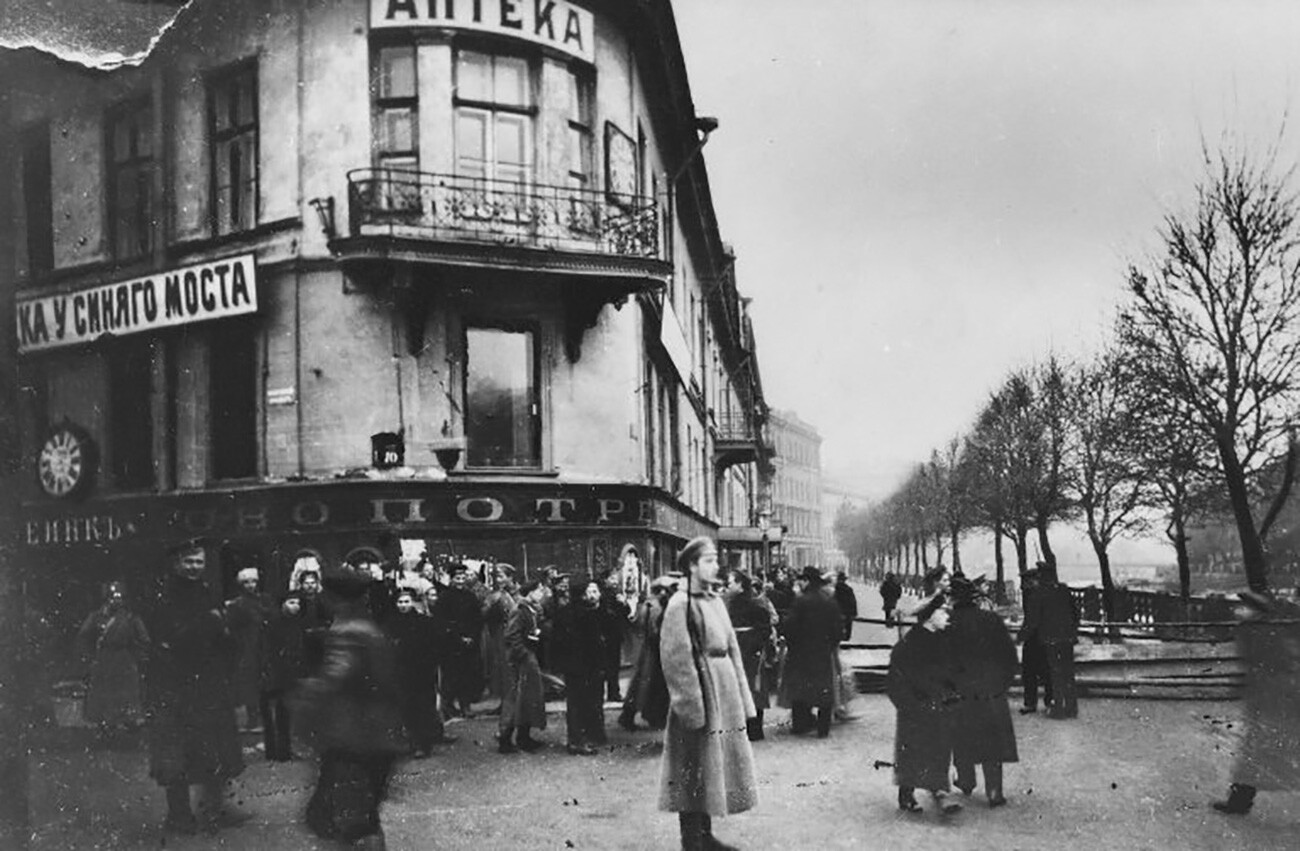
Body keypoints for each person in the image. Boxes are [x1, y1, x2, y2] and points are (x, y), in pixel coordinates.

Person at [295, 564, 405, 850]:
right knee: (359, 812)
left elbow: (335, 676)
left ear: (334, 598)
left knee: (352, 816)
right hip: (376, 730)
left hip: (354, 735)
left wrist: (305, 697)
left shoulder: (347, 631)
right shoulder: (368, 627)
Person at [659, 536, 757, 851]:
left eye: (716, 560)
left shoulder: (714, 600)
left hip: (722, 693)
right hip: (700, 697)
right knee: (691, 770)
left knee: (711, 768)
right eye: (708, 560)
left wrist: (743, 697)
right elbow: (676, 662)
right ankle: (692, 841)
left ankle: (705, 834)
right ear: (691, 565)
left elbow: (732, 650)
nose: (715, 566)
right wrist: (691, 709)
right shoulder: (680, 604)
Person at [145, 539, 248, 835]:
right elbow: (167, 641)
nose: (194, 567)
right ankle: (179, 815)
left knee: (213, 751)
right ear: (176, 563)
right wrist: (212, 622)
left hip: (209, 684)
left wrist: (224, 630)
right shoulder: (164, 595)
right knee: (176, 756)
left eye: (199, 562)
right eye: (188, 561)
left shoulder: (207, 592)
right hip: (176, 685)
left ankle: (214, 811)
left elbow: (221, 638)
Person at [1211, 591, 1300, 816]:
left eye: (1243, 607)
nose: (1238, 610)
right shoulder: (1254, 629)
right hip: (1267, 698)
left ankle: (1239, 802)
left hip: (1276, 699)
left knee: (1267, 752)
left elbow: (1278, 664)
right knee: (1255, 753)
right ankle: (1239, 802)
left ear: (1255, 611)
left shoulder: (1263, 632)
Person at [886, 593, 961, 816]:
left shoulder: (942, 640)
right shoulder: (910, 644)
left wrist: (951, 693)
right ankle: (906, 794)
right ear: (929, 617)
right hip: (915, 707)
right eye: (941, 612)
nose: (946, 615)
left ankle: (940, 791)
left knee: (939, 749)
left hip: (937, 705)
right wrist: (908, 704)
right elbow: (895, 679)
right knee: (912, 749)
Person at [948, 576, 1018, 807]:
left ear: (953, 598)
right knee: (992, 740)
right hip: (990, 690)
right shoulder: (991, 619)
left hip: (960, 691)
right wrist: (1002, 684)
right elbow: (1009, 655)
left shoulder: (947, 623)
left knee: (961, 737)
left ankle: (966, 781)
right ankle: (994, 791)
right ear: (976, 599)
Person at [386, 589, 455, 758]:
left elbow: (434, 645)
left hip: (423, 671)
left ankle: (427, 741)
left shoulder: (424, 622)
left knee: (425, 705)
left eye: (406, 602)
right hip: (403, 671)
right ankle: (416, 742)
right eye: (400, 602)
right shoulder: (391, 624)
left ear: (413, 603)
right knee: (409, 708)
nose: (403, 606)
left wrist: (430, 663)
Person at [76, 580, 150, 738]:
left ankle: (128, 720)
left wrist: (137, 654)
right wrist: (89, 655)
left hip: (124, 659)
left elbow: (144, 638)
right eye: (112, 597)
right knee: (103, 691)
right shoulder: (96, 617)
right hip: (103, 658)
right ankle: (104, 723)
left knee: (126, 692)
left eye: (119, 597)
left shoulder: (131, 618)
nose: (116, 601)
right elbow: (83, 636)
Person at [780, 566, 843, 738]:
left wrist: (793, 645)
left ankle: (800, 725)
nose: (799, 582)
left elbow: (789, 627)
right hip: (822, 652)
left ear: (807, 581)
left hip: (801, 653)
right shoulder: (830, 602)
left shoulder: (800, 602)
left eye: (802, 579)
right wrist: (829, 645)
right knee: (824, 689)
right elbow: (838, 630)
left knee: (800, 688)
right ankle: (823, 728)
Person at [553, 578, 611, 754]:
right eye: (587, 592)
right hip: (586, 665)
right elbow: (594, 643)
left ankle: (579, 737)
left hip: (573, 665)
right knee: (582, 702)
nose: (589, 595)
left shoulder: (564, 611)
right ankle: (578, 741)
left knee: (576, 702)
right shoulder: (585, 614)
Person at [498, 579, 550, 755]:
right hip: (521, 661)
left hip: (528, 658)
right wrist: (524, 654)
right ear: (531, 592)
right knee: (517, 700)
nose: (542, 593)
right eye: (540, 590)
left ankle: (524, 737)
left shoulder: (532, 609)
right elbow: (512, 636)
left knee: (529, 699)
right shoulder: (520, 610)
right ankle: (505, 739)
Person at [1021, 563, 1078, 718]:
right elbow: (1075, 613)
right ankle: (1072, 709)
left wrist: (1021, 637)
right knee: (1068, 673)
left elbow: (1032, 621)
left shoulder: (1038, 593)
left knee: (1054, 673)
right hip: (1067, 638)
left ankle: (1058, 709)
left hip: (1050, 639)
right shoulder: (1064, 590)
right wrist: (1072, 631)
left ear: (1040, 576)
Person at [725, 571, 776, 741]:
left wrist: (751, 642)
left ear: (740, 585)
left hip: (749, 652)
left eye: (731, 582)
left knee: (753, 687)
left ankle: (752, 728)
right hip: (742, 651)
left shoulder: (753, 605)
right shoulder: (730, 604)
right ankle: (748, 728)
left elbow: (764, 629)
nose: (728, 585)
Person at [225, 567, 275, 733]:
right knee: (250, 682)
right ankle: (252, 719)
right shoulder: (237, 604)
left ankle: (269, 718)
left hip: (266, 644)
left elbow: (272, 617)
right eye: (246, 582)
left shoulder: (265, 600)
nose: (250, 585)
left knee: (267, 679)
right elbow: (232, 627)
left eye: (253, 581)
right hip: (247, 645)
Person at [432, 562, 485, 718]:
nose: (461, 581)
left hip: (470, 644)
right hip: (452, 645)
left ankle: (465, 705)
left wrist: (473, 637)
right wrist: (458, 638)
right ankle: (448, 706)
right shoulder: (444, 597)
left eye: (463, 578)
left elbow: (478, 619)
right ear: (452, 579)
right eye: (457, 578)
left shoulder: (471, 596)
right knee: (451, 676)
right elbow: (442, 622)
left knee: (468, 675)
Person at [260, 592, 308, 762]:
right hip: (277, 671)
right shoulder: (274, 623)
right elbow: (267, 648)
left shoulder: (297, 623)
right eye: (291, 602)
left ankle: (285, 750)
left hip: (291, 670)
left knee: (287, 711)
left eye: (298, 603)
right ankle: (275, 750)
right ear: (282, 604)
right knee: (276, 711)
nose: (295, 606)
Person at [481, 564, 519, 713]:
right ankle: (505, 703)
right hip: (498, 635)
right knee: (501, 669)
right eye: (496, 576)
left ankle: (512, 705)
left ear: (510, 577)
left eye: (501, 576)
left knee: (511, 669)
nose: (498, 580)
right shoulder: (496, 594)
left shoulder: (516, 593)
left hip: (512, 634)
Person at [1016, 569, 1054, 714]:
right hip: (1044, 639)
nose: (1023, 585)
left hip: (1035, 640)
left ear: (1033, 581)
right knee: (1044, 672)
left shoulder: (1034, 596)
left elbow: (1031, 621)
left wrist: (1021, 636)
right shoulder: (1043, 593)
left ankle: (1031, 703)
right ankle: (1048, 701)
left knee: (1031, 672)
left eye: (1026, 581)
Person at [599, 571, 632, 702]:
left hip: (615, 635)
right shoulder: (601, 594)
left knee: (614, 666)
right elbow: (605, 614)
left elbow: (627, 612)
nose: (615, 581)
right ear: (605, 580)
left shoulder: (617, 594)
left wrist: (624, 603)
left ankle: (614, 693)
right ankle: (600, 694)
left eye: (615, 578)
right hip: (603, 634)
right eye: (612, 578)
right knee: (602, 666)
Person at [832, 571, 858, 642]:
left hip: (837, 613)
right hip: (847, 613)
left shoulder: (834, 590)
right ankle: (846, 637)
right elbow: (853, 602)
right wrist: (854, 613)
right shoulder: (848, 589)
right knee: (847, 629)